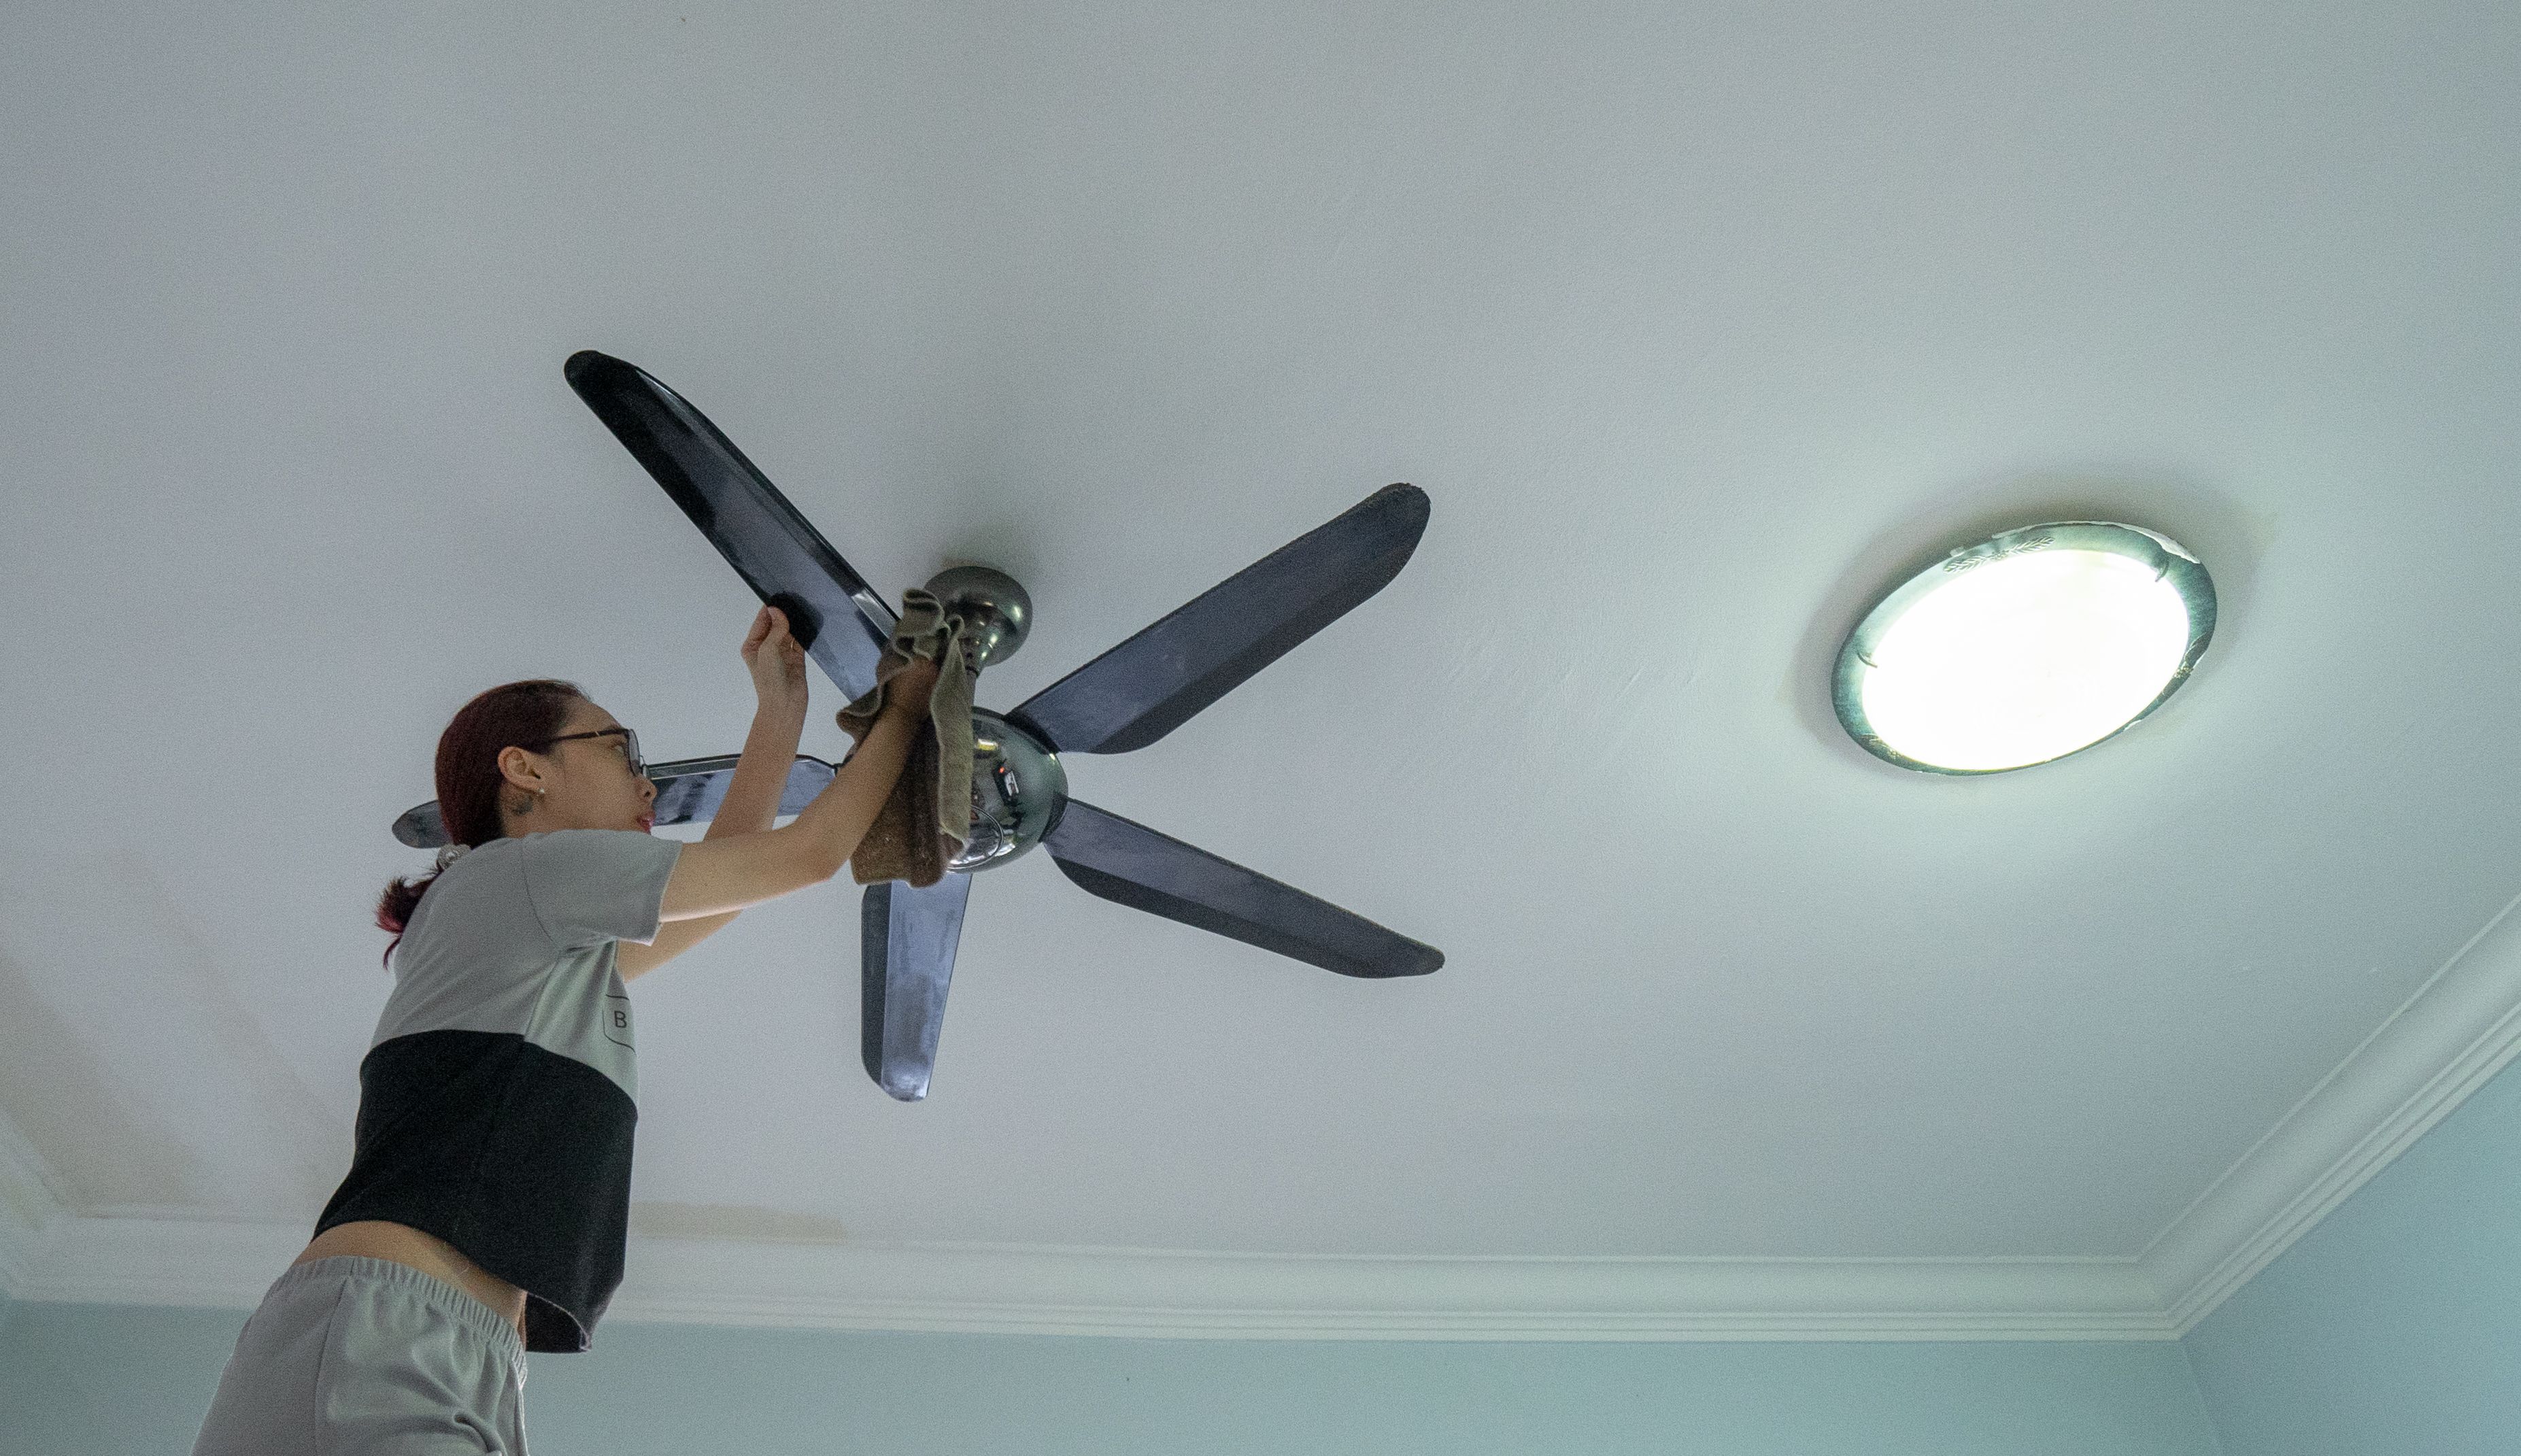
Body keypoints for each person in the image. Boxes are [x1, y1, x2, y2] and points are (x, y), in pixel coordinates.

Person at [191, 605, 937, 1455]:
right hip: (387, 1323)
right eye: (622, 750)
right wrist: (909, 707)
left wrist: (778, 717)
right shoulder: (516, 878)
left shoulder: (536, 943)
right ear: (525, 770)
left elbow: (733, 887)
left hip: (439, 1339)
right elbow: (804, 856)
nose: (649, 785)